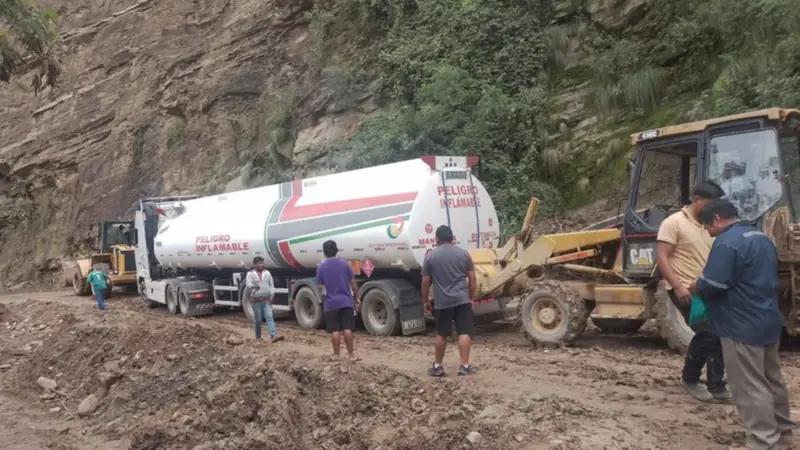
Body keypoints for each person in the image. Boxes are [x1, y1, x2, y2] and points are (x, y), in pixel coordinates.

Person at [690, 199, 795, 450]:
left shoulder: (727, 243)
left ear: (716, 219)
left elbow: (713, 285)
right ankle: (783, 433)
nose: (707, 232)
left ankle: (763, 441)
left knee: (748, 386)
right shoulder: (761, 238)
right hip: (767, 320)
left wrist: (696, 286)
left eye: (706, 226)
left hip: (740, 325)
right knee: (772, 380)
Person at [655, 180, 732, 402]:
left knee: (721, 335)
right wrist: (678, 287)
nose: (714, 209)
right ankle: (690, 379)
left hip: (707, 289)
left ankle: (717, 386)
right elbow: (662, 257)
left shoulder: (709, 224)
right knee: (707, 334)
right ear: (697, 200)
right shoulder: (673, 223)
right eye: (710, 203)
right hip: (686, 290)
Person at [422, 225, 477, 377]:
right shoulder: (464, 254)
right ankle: (464, 366)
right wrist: (472, 298)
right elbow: (472, 278)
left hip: (442, 302)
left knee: (441, 334)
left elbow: (426, 282)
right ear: (453, 238)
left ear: (436, 239)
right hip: (462, 299)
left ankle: (438, 366)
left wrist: (425, 301)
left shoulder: (430, 257)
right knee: (464, 332)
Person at [316, 240, 360, 358]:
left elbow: (320, 285)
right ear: (336, 250)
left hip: (331, 303)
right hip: (346, 301)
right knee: (347, 328)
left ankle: (336, 355)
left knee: (334, 330)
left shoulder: (321, 267)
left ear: (324, 252)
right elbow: (353, 282)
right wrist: (357, 296)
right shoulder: (345, 264)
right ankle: (351, 355)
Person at [245, 257, 284, 343]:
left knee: (269, 316)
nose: (261, 265)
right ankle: (258, 337)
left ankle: (273, 335)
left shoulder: (267, 273)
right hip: (256, 301)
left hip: (266, 300)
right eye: (259, 263)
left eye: (262, 263)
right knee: (258, 320)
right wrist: (253, 286)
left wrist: (272, 294)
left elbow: (271, 284)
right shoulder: (250, 274)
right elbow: (248, 283)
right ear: (255, 264)